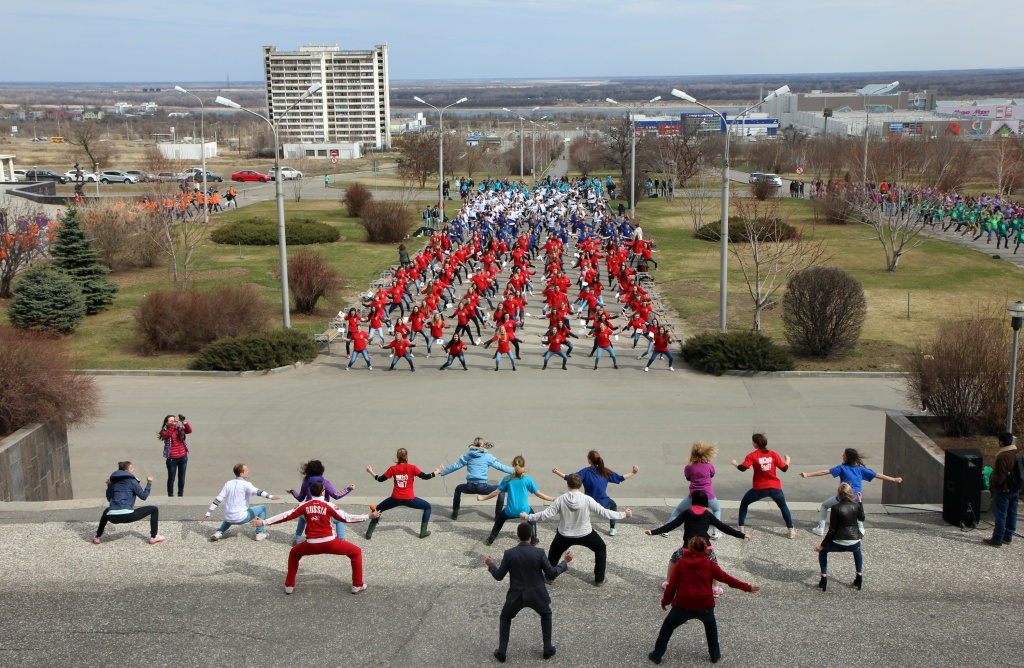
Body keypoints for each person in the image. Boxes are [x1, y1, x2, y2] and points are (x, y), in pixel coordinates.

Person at [252, 481, 380, 595]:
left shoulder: (304, 505)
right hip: (330, 542)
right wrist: (369, 516)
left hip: (310, 544)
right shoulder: (329, 505)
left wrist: (264, 522)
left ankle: (289, 586)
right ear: (323, 492)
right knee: (356, 552)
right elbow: (347, 518)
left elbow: (285, 516)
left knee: (294, 553)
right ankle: (357, 585)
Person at [648, 536, 760, 665]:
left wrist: (665, 601)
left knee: (668, 626)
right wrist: (747, 587)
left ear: (689, 548)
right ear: (706, 550)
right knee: (710, 625)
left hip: (683, 604)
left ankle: (657, 654)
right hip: (705, 604)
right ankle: (715, 654)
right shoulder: (710, 564)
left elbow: (671, 586)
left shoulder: (681, 564)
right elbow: (727, 579)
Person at [485, 521, 573, 662]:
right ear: (531, 535)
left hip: (516, 595)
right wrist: (564, 562)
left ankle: (502, 651)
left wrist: (491, 565)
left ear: (517, 535)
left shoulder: (509, 554)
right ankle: (548, 647)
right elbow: (550, 574)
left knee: (506, 617)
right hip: (537, 594)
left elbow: (499, 576)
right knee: (546, 614)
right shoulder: (539, 552)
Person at [524, 473, 631, 586]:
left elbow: (544, 515)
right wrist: (624, 514)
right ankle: (599, 579)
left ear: (567, 485)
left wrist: (527, 517)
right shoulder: (587, 499)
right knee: (601, 549)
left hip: (564, 535)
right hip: (585, 533)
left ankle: (550, 577)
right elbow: (604, 513)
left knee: (554, 553)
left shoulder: (560, 499)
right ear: (580, 485)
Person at [645, 490, 750, 593]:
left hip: (687, 549)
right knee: (714, 564)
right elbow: (724, 528)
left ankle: (668, 583)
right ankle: (715, 589)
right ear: (706, 502)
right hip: (706, 549)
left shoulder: (687, 513)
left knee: (674, 558)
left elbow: (671, 525)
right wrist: (743, 535)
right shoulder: (708, 515)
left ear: (693, 501)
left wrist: (653, 532)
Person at [800, 448, 903, 536]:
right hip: (856, 498)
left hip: (842, 497)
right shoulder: (860, 469)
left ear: (847, 457)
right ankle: (860, 529)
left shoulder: (841, 468)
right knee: (857, 510)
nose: (842, 456)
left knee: (824, 506)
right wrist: (894, 479)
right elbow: (877, 475)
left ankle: (821, 528)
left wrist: (807, 474)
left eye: (844, 455)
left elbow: (824, 472)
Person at [551, 450, 638, 536]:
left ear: (589, 460)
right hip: (602, 502)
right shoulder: (605, 471)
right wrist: (633, 472)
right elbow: (620, 478)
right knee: (613, 505)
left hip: (587, 503)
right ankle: (612, 529)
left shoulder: (585, 471)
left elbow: (570, 478)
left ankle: (572, 527)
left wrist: (557, 472)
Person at [478, 456, 556, 546]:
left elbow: (496, 492)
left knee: (500, 519)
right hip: (524, 511)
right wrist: (552, 499)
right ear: (523, 466)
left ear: (513, 465)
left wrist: (482, 498)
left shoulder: (507, 479)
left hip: (510, 511)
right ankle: (534, 539)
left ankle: (491, 539)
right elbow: (539, 494)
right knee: (532, 517)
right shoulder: (528, 480)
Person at [732, 433, 795, 538]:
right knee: (783, 506)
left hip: (760, 488)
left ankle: (741, 528)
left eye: (753, 441)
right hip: (775, 487)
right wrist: (788, 460)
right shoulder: (773, 454)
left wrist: (735, 463)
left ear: (755, 444)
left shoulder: (752, 455)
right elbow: (784, 468)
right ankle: (791, 530)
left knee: (744, 503)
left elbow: (742, 468)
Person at [365, 448, 436, 539]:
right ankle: (423, 531)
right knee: (427, 507)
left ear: (397, 457)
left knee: (378, 509)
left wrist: (371, 471)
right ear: (407, 456)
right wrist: (437, 472)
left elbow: (380, 479)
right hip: (410, 499)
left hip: (395, 499)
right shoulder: (412, 467)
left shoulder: (393, 469)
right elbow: (425, 477)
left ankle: (369, 533)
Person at [438, 437, 513, 520]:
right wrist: (516, 471)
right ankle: (498, 516)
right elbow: (501, 467)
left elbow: (455, 466)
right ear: (483, 445)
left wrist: (442, 472)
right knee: (501, 490)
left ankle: (455, 513)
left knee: (458, 489)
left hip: (469, 486)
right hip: (482, 487)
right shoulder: (488, 457)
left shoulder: (468, 456)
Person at [204, 463, 281, 541]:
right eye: (246, 470)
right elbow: (257, 491)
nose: (248, 471)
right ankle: (259, 533)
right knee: (262, 508)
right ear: (241, 474)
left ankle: (219, 532)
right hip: (241, 518)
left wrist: (208, 513)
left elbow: (218, 499)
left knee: (230, 516)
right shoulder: (246, 484)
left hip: (228, 517)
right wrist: (270, 497)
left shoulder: (228, 484)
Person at [93, 461, 164, 545]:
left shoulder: (114, 482)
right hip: (127, 516)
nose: (133, 469)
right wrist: (149, 483)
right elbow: (143, 496)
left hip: (112, 517)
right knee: (154, 509)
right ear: (126, 471)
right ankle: (154, 537)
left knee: (107, 511)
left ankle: (97, 537)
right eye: (131, 468)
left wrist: (109, 485)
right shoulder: (132, 481)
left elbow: (109, 499)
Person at [287, 459, 354, 545]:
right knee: (339, 520)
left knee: (302, 517)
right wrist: (349, 489)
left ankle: (297, 539)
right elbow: (336, 495)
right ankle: (341, 540)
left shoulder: (306, 482)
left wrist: (292, 491)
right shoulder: (325, 482)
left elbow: (300, 498)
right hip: (323, 512)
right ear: (321, 470)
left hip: (309, 511)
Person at [815, 483, 865, 591]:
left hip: (839, 542)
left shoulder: (835, 507)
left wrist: (821, 545)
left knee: (823, 552)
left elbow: (832, 530)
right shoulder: (856, 506)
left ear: (839, 494)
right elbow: (862, 518)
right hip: (854, 541)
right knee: (857, 550)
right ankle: (859, 576)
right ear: (851, 493)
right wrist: (860, 502)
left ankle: (823, 579)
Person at [669, 442, 723, 539]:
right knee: (716, 509)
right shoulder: (709, 465)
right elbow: (712, 474)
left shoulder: (689, 467)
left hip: (693, 496)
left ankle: (667, 530)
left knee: (679, 509)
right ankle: (715, 532)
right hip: (708, 496)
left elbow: (688, 477)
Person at [983, 431, 1023, 548]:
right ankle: (1008, 537)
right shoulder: (1018, 455)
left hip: (1004, 491)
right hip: (1015, 490)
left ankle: (997, 539)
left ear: (1001, 442)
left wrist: (992, 484)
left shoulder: (1003, 457)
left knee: (1001, 515)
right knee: (1012, 513)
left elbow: (999, 477)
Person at [159, 414, 191, 497]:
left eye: (174, 420)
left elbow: (189, 430)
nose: (173, 422)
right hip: (172, 458)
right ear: (166, 423)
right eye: (171, 421)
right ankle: (170, 495)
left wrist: (184, 422)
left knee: (182, 477)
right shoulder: (164, 431)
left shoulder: (178, 428)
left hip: (183, 456)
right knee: (171, 478)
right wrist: (174, 424)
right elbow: (169, 434)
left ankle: (180, 494)